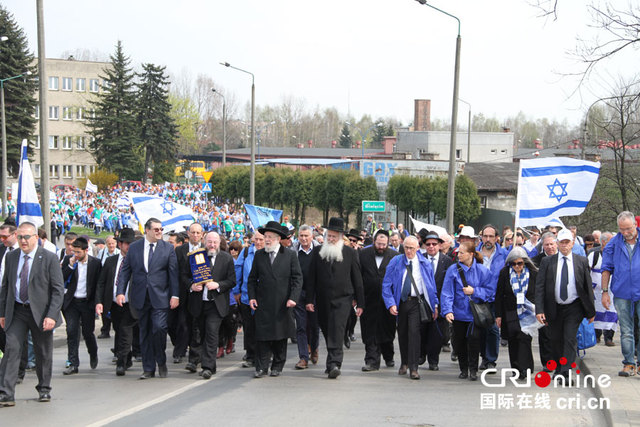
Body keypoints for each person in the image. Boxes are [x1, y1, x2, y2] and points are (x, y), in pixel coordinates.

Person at [0, 222, 65, 406]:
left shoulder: (49, 258)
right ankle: (6, 392)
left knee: (42, 352)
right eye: (20, 237)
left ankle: (44, 388)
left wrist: (52, 315)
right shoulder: (11, 257)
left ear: (36, 237)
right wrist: (2, 312)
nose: (23, 241)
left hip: (41, 313)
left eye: (27, 237)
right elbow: (6, 287)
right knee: (12, 348)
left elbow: (58, 290)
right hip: (18, 310)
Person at [116, 218, 179, 379]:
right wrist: (120, 291)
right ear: (147, 230)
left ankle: (161, 360)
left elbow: (173, 274)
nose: (159, 232)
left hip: (160, 296)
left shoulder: (167, 248)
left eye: (161, 229)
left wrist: (175, 295)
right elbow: (125, 271)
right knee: (144, 332)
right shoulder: (135, 248)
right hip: (140, 296)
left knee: (159, 328)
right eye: (156, 229)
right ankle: (148, 368)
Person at [306, 217, 365, 379]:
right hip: (323, 300)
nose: (330, 239)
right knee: (327, 328)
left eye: (334, 236)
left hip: (343, 299)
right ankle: (331, 361)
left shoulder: (350, 253)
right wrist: (309, 300)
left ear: (340, 237)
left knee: (337, 330)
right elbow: (311, 278)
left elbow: (357, 279)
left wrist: (360, 302)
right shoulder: (318, 253)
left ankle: (334, 363)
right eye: (328, 236)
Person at [535, 228, 595, 383]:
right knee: (555, 339)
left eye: (567, 242)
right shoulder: (547, 262)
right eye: (561, 242)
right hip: (554, 306)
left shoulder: (581, 261)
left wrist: (591, 311)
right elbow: (540, 287)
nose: (564, 245)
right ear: (557, 243)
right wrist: (539, 310)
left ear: (573, 243)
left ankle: (566, 372)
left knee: (569, 338)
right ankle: (559, 369)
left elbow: (587, 287)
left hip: (574, 307)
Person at [248, 221, 303, 378]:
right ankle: (261, 367)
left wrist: (293, 298)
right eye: (265, 236)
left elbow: (297, 279)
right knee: (262, 337)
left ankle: (278, 365)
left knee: (280, 337)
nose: (266, 240)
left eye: (270, 237)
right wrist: (252, 297)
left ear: (278, 239)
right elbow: (252, 279)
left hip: (282, 303)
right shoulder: (260, 255)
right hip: (263, 303)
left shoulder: (290, 255)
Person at [382, 236, 438, 380]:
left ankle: (414, 367)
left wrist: (435, 304)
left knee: (414, 333)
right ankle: (404, 362)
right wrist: (390, 303)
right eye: (406, 247)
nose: (408, 251)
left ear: (418, 248)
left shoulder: (424, 263)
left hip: (416, 302)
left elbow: (431, 286)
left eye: (411, 248)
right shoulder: (396, 262)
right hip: (401, 302)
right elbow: (386, 284)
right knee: (402, 333)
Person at [441, 242, 494, 381]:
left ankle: (473, 369)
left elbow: (490, 291)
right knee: (459, 343)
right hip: (458, 313)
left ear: (471, 254)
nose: (458, 255)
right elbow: (447, 292)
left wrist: (474, 291)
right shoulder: (453, 270)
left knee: (474, 342)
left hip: (474, 314)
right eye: (458, 253)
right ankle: (463, 369)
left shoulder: (482, 271)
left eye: (461, 253)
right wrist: (447, 310)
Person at [187, 232, 236, 379]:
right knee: (201, 334)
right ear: (204, 241)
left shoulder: (226, 258)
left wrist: (218, 285)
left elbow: (232, 280)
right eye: (209, 242)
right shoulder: (195, 257)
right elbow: (184, 275)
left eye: (215, 242)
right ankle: (208, 364)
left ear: (219, 243)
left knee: (212, 333)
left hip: (216, 304)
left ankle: (207, 366)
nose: (212, 245)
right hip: (199, 303)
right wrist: (192, 285)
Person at [601, 211, 640, 377]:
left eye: (628, 228)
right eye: (622, 229)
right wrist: (604, 292)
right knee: (626, 330)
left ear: (635, 225)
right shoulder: (613, 244)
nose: (625, 232)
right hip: (622, 294)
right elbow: (606, 269)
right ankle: (629, 363)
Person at [95, 228, 138, 376]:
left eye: (131, 244)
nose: (128, 246)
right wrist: (99, 301)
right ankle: (127, 357)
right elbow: (101, 283)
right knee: (119, 331)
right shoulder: (110, 261)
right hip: (113, 303)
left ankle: (121, 362)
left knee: (125, 330)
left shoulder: (137, 262)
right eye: (126, 243)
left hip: (130, 303)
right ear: (120, 244)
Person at [495, 247, 538, 380]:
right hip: (510, 311)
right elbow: (499, 295)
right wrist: (498, 315)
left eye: (519, 263)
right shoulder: (504, 273)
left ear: (525, 262)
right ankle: (516, 368)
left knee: (525, 338)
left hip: (527, 311)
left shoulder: (533, 273)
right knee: (513, 339)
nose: (517, 266)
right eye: (513, 264)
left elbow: (538, 293)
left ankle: (526, 367)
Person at [61, 237, 102, 375]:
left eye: (78, 252)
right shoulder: (69, 261)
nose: (75, 255)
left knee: (87, 332)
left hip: (87, 302)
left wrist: (97, 302)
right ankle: (73, 363)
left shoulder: (95, 263)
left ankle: (93, 352)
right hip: (72, 302)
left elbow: (98, 285)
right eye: (74, 252)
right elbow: (61, 279)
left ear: (85, 250)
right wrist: (71, 266)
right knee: (72, 331)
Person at [360, 230, 398, 372]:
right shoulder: (363, 254)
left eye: (384, 244)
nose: (381, 247)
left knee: (387, 331)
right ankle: (371, 361)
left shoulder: (395, 257)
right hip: (368, 300)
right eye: (378, 244)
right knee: (370, 332)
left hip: (388, 302)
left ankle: (388, 356)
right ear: (374, 242)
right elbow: (358, 276)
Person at [420, 230, 453, 369]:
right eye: (428, 244)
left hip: (441, 303)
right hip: (422, 302)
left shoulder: (447, 261)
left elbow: (450, 282)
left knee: (437, 334)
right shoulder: (420, 259)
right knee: (421, 331)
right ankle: (421, 355)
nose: (431, 247)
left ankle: (433, 360)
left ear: (440, 245)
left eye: (434, 244)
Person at [174, 223, 204, 371]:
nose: (196, 235)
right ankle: (179, 351)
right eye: (193, 232)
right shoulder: (180, 251)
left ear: (202, 234)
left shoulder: (207, 249)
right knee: (182, 324)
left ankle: (194, 358)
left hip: (201, 295)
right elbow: (177, 273)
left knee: (197, 327)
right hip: (184, 293)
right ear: (188, 234)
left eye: (198, 232)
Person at [291, 225, 321, 369]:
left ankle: (314, 348)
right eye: (301, 235)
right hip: (298, 293)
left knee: (315, 326)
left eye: (306, 236)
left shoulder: (319, 251)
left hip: (315, 294)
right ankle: (303, 357)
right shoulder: (293, 251)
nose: (303, 238)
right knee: (301, 327)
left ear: (312, 237)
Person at [234, 231, 264, 368]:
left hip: (264, 297)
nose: (258, 242)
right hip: (246, 296)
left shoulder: (267, 253)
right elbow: (238, 271)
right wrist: (236, 291)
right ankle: (251, 355)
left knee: (262, 327)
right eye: (255, 240)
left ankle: (263, 355)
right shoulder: (246, 253)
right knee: (249, 327)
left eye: (261, 240)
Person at [588, 232, 616, 346]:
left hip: (612, 290)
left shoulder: (616, 255)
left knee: (612, 312)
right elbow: (586, 271)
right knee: (596, 312)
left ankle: (609, 337)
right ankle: (596, 335)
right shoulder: (594, 255)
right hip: (596, 291)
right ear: (604, 242)